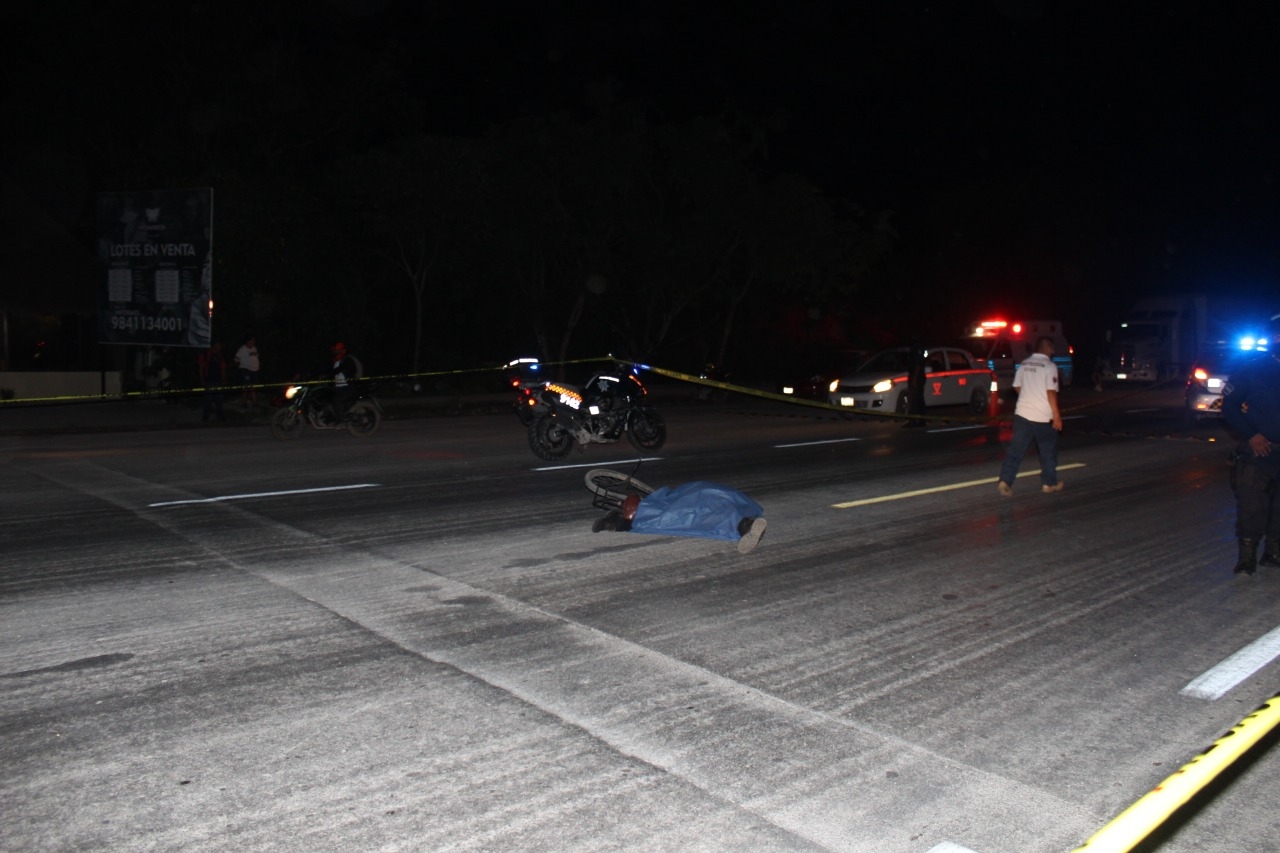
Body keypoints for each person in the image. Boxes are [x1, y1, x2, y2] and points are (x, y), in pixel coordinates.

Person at [1221, 313, 1280, 575]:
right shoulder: (1254, 369)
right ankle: (1247, 559)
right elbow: (1230, 406)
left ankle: (1274, 553)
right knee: (1252, 505)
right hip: (1259, 450)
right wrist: (1251, 434)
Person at [593, 481, 768, 554]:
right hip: (712, 493)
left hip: (704, 498)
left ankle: (747, 526)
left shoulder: (647, 515)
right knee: (719, 516)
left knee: (707, 518)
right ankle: (747, 525)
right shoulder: (653, 504)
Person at [997, 335, 1064, 496]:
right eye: (1052, 349)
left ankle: (1005, 481)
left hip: (1023, 414)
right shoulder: (1049, 366)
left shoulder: (1024, 364)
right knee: (1047, 450)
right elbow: (1050, 392)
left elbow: (1016, 386)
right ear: (1047, 348)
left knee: (1016, 450)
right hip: (1042, 417)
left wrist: (1028, 397)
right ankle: (1049, 484)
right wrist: (1056, 415)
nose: (1053, 352)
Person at [329, 341, 362, 422]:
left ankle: (341, 421)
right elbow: (330, 371)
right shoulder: (335, 361)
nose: (335, 352)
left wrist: (329, 373)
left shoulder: (348, 360)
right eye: (334, 350)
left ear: (343, 351)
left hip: (348, 387)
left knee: (337, 401)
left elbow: (341, 370)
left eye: (337, 350)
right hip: (338, 387)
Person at [198, 341, 227, 423]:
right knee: (207, 400)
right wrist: (202, 379)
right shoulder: (205, 354)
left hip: (218, 380)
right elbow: (201, 367)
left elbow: (223, 368)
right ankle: (205, 416)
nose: (220, 347)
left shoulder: (220, 355)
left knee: (219, 400)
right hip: (209, 380)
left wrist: (224, 379)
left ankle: (220, 416)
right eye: (219, 345)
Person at [234, 333, 260, 407]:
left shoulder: (254, 348)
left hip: (254, 370)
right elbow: (236, 360)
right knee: (245, 386)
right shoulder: (242, 349)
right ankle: (244, 402)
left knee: (253, 387)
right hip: (246, 370)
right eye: (252, 340)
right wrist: (240, 368)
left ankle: (254, 402)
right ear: (248, 341)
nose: (253, 342)